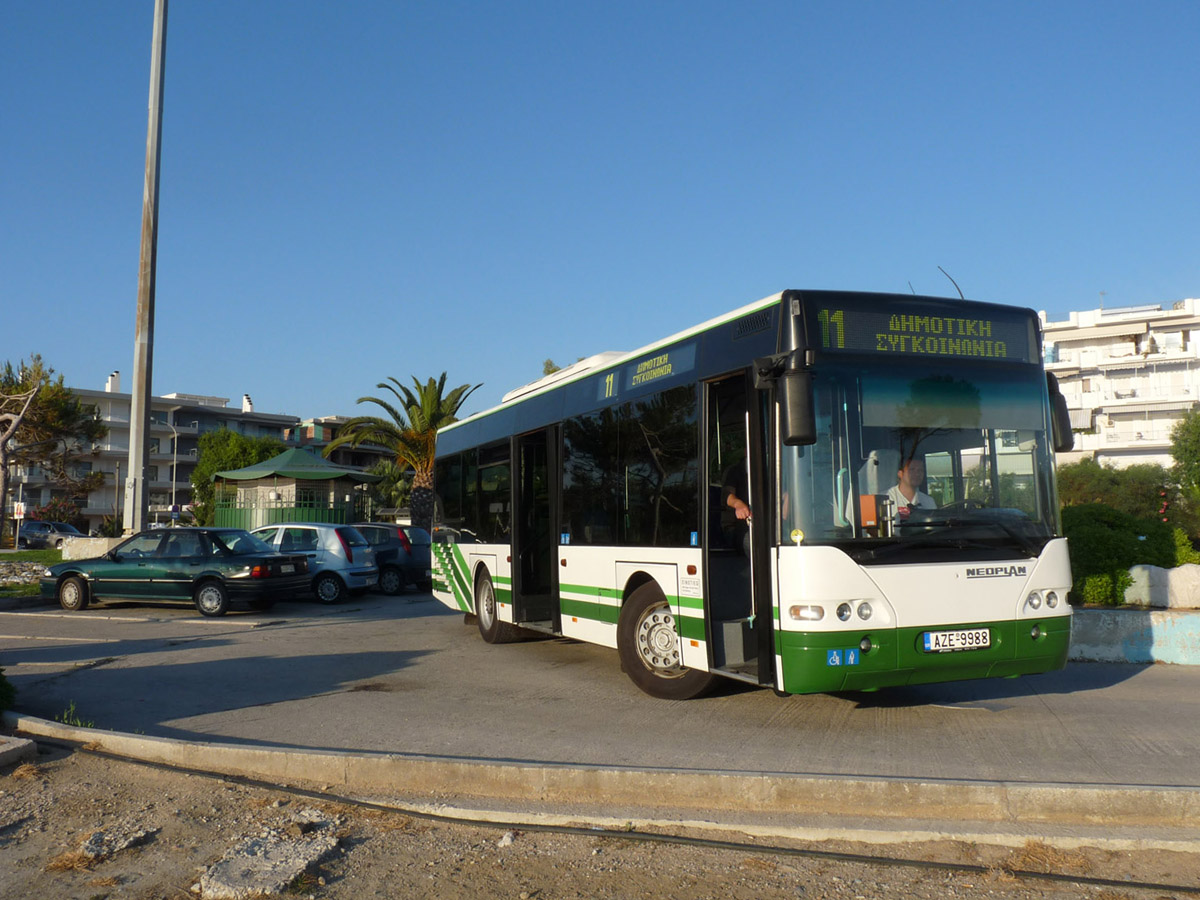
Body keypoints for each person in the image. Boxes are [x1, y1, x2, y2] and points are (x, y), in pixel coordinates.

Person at [887, 457, 936, 523]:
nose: (917, 474)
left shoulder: (929, 502)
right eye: (911, 470)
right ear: (900, 474)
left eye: (920, 470)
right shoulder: (885, 500)